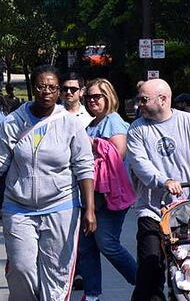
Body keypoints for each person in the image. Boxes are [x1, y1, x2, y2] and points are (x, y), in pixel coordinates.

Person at [0, 64, 96, 300]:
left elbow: (84, 166)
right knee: (22, 268)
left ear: (59, 91)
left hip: (61, 205)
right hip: (18, 206)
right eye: (41, 86)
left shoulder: (70, 123)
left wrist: (89, 208)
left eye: (53, 87)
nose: (47, 92)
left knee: (56, 273)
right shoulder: (14, 121)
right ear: (33, 88)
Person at [128, 78, 190, 300]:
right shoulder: (137, 130)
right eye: (139, 100)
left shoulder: (186, 122)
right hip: (153, 209)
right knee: (150, 265)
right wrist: (164, 181)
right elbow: (140, 163)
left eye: (143, 100)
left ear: (163, 99)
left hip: (186, 209)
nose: (139, 105)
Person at [76, 78, 137, 301]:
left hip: (110, 195)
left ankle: (144, 282)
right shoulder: (91, 124)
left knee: (107, 243)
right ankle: (92, 294)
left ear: (108, 97)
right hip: (91, 195)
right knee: (86, 245)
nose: (92, 100)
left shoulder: (113, 121)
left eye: (97, 96)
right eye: (89, 96)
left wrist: (91, 146)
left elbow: (118, 155)